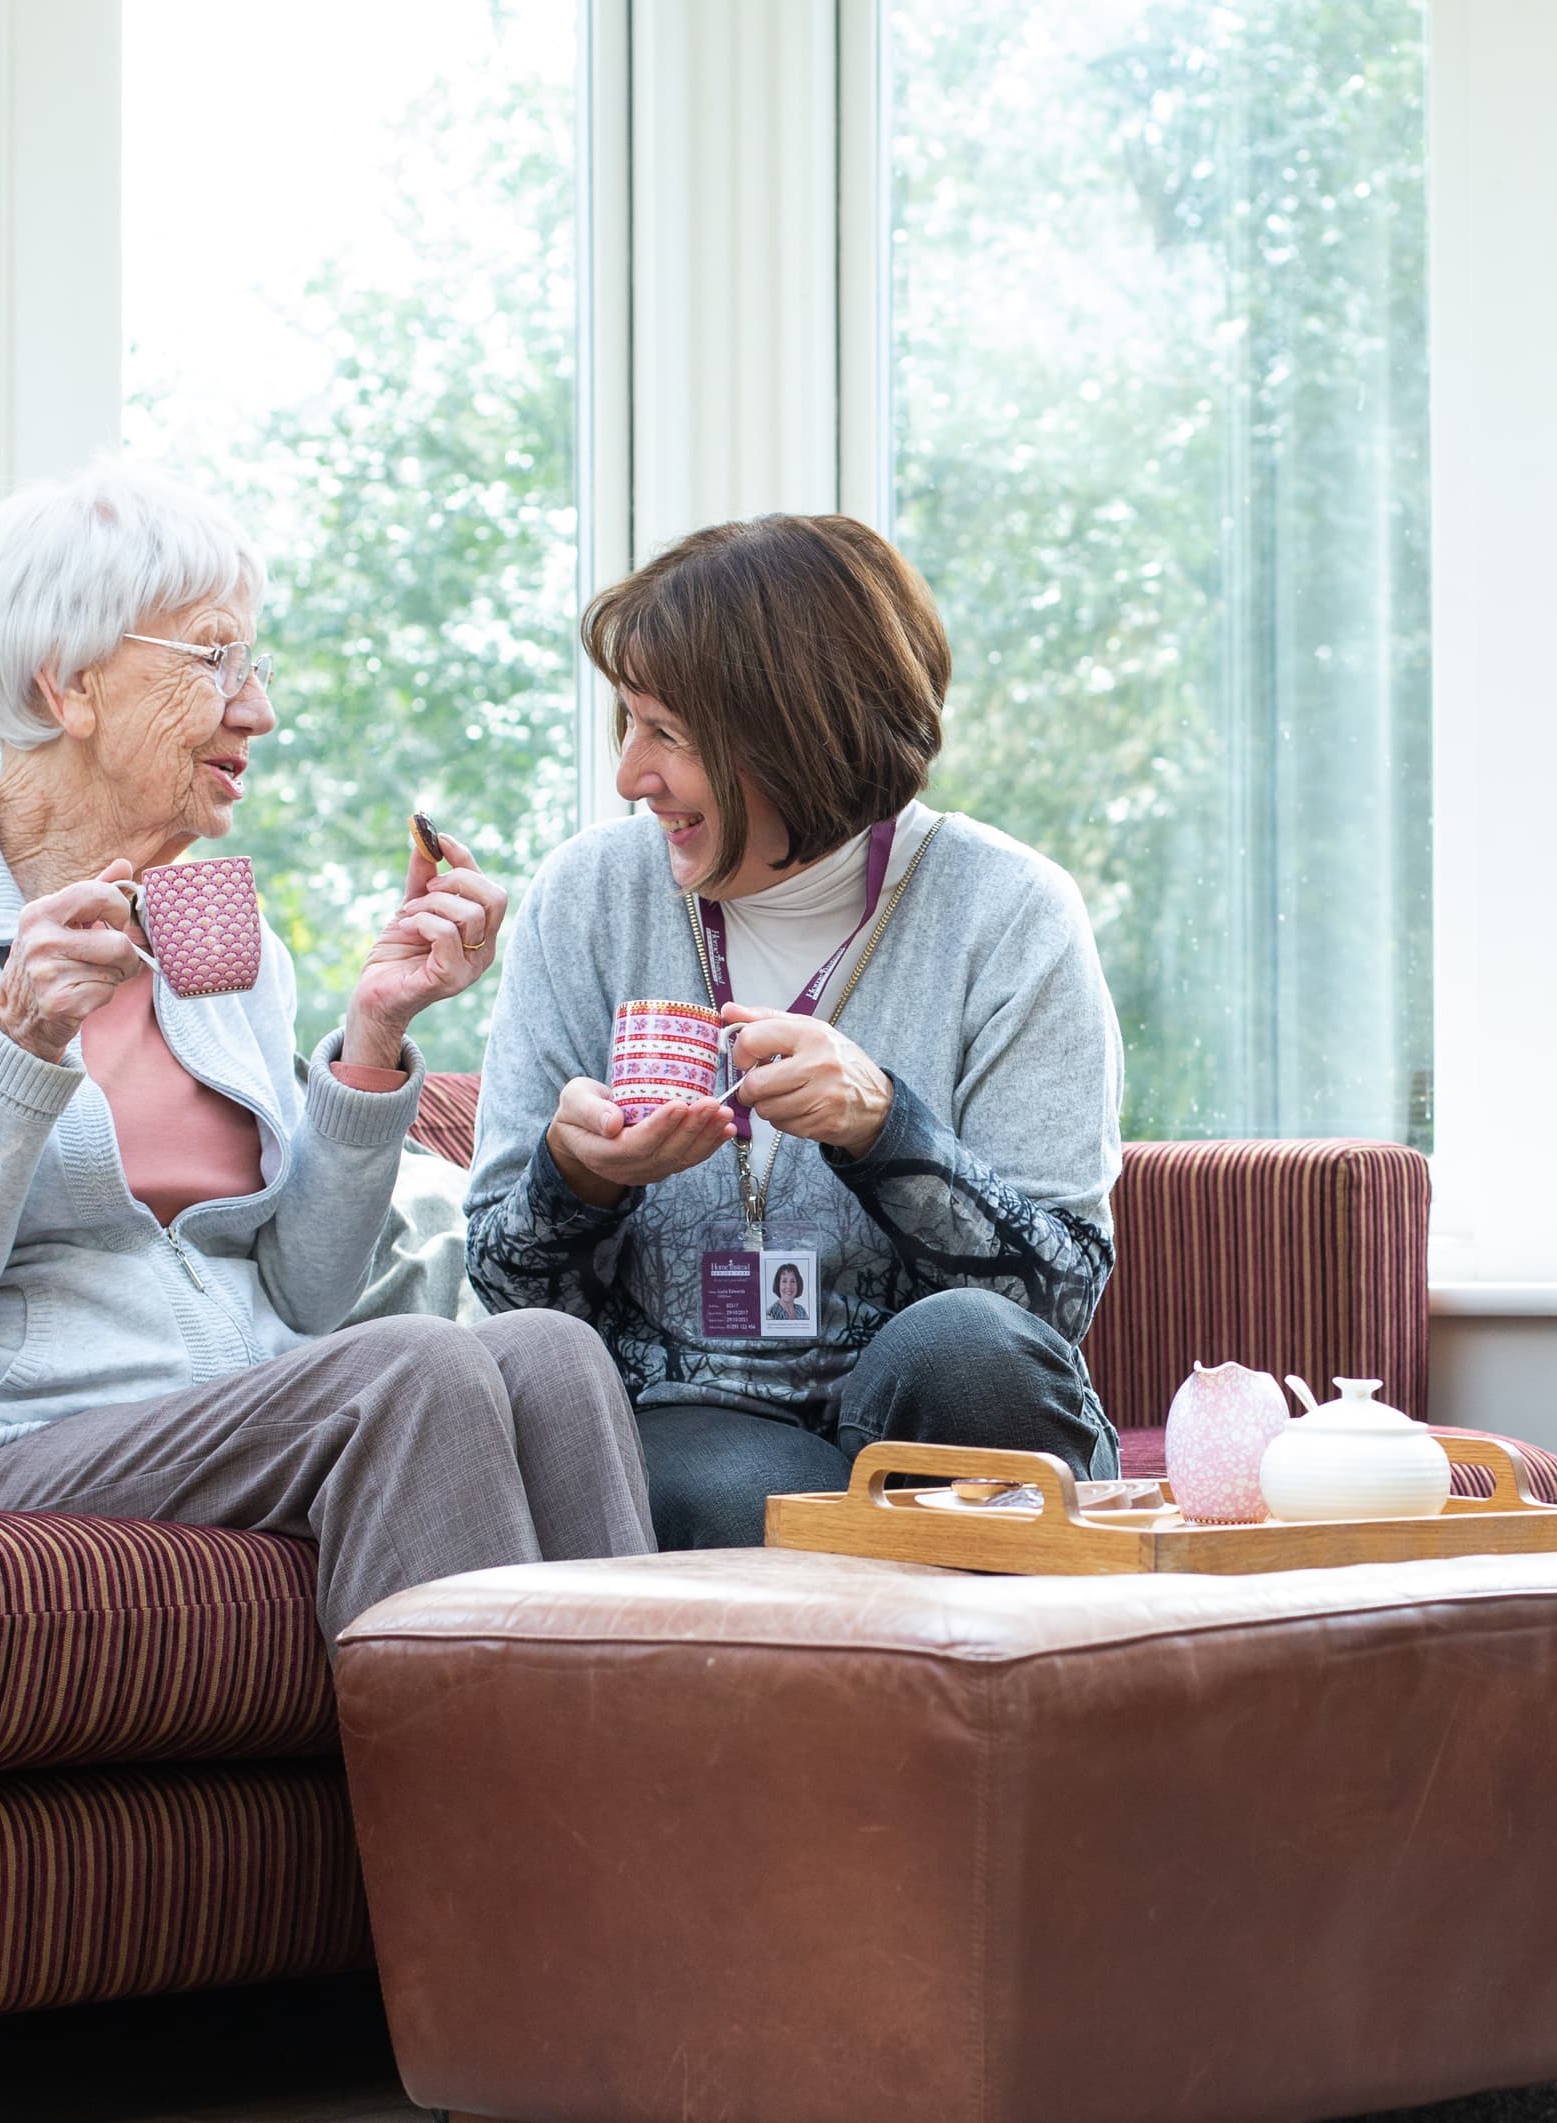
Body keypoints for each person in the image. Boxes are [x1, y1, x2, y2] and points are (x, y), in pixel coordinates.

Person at [0, 461, 651, 1641]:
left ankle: (647, 1811)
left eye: (254, 664)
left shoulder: (221, 937)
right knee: (418, 1369)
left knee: (549, 1356)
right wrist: (19, 1038)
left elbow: (308, 1290)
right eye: (214, 658)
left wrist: (374, 1037)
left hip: (226, 1415)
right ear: (68, 682)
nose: (258, 710)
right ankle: (502, 1824)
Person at [465, 514, 1122, 1548]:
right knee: (723, 1496)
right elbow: (509, 1292)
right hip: (696, 1416)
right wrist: (577, 1179)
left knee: (971, 1354)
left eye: (667, 735)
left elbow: (1053, 1302)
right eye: (626, 725)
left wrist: (884, 1130)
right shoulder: (589, 898)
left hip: (941, 1414)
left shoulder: (1009, 912)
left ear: (792, 735)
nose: (631, 775)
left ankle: (967, 1669)